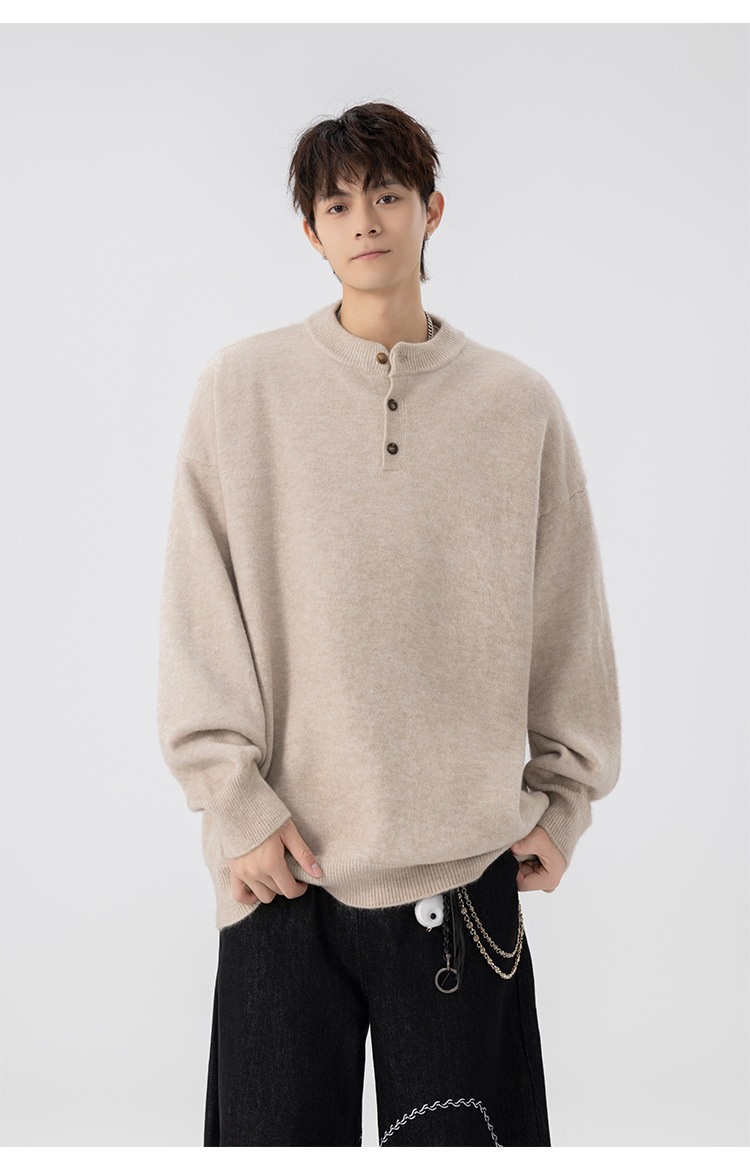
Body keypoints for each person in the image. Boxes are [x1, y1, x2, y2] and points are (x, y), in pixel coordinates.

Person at [157, 100, 621, 1147]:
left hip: (464, 878)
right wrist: (233, 801)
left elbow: (568, 614)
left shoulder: (517, 404)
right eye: (336, 204)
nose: (363, 218)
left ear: (432, 211)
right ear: (311, 234)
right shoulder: (241, 391)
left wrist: (563, 801)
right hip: (279, 870)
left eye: (387, 194)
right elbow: (198, 607)